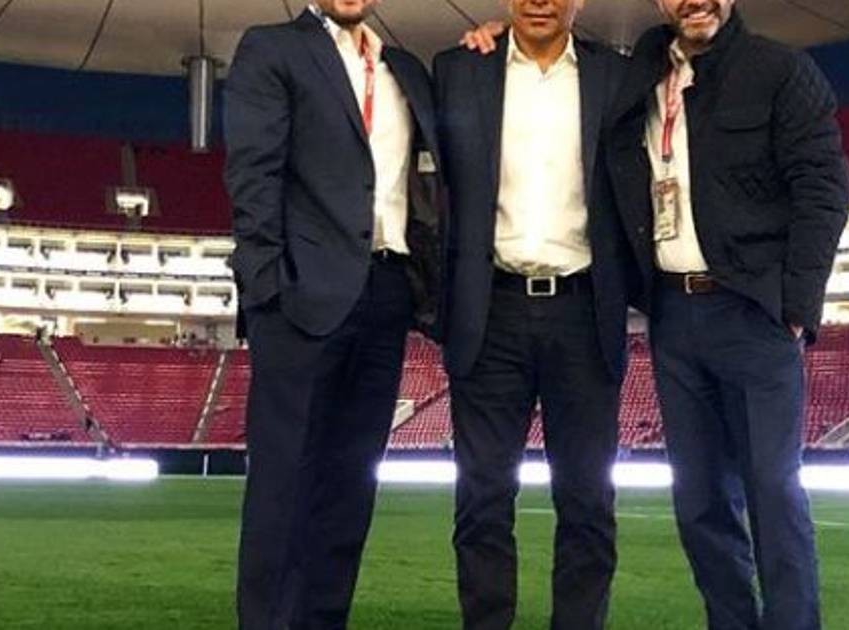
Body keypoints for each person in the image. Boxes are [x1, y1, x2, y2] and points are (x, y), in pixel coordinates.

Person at [604, 1, 849, 627]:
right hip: (672, 315)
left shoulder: (780, 70)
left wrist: (796, 306)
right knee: (699, 501)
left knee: (772, 491)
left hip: (754, 312)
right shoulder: (638, 76)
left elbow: (823, 189)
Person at [224, 0, 444, 627]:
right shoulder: (273, 48)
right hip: (300, 298)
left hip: (387, 294)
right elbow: (252, 174)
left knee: (350, 492)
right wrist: (268, 290)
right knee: (283, 489)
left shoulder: (405, 68)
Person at [434, 1, 632, 628]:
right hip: (489, 310)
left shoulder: (617, 75)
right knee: (482, 500)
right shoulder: (459, 69)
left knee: (588, 501)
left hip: (584, 311)